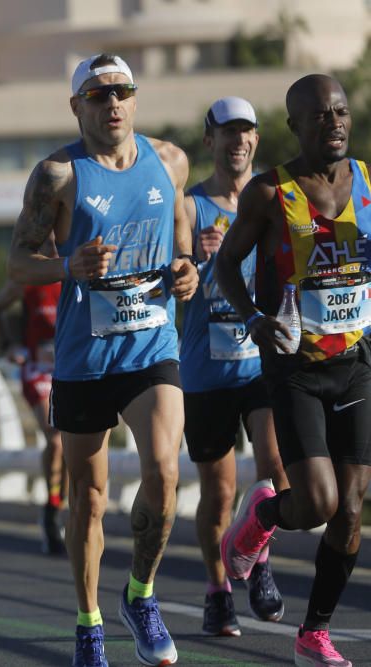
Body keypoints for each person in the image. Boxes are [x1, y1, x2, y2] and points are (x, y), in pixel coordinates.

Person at [7, 54, 199, 667]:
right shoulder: (58, 176)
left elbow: (181, 235)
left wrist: (187, 269)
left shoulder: (169, 160)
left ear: (135, 100)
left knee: (165, 473)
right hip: (85, 357)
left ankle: (140, 594)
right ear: (77, 106)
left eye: (121, 91)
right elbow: (18, 262)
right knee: (89, 497)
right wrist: (67, 267)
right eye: (97, 94)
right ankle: (89, 622)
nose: (111, 103)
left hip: (152, 345)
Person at [216, 74, 371, 667]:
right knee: (317, 505)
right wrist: (253, 318)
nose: (332, 124)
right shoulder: (269, 192)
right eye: (318, 117)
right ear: (295, 127)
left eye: (340, 113)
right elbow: (228, 265)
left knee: (352, 510)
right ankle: (262, 519)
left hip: (354, 363)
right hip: (295, 368)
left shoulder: (365, 181)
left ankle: (314, 634)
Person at [180, 97, 289, 637]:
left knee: (276, 467)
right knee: (218, 492)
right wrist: (196, 260)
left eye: (247, 132)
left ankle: (257, 555)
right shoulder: (191, 207)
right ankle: (218, 589)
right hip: (205, 371)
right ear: (210, 141)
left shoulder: (269, 201)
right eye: (228, 132)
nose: (238, 142)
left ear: (256, 141)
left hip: (260, 364)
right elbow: (166, 287)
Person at [0, 277, 67, 554]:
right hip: (37, 370)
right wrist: (8, 345)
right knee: (56, 437)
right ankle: (52, 508)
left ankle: (61, 502)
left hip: (69, 369)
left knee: (71, 443)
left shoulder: (77, 272)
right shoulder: (30, 279)